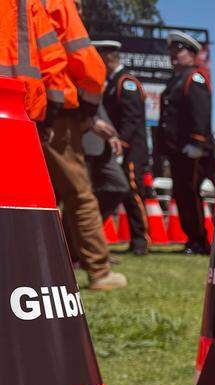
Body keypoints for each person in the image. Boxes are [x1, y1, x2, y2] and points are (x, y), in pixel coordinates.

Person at [40, 0, 126, 289]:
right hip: (54, 110)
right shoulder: (55, 3)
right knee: (79, 193)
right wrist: (88, 112)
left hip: (14, 106)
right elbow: (88, 65)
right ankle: (99, 271)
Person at [158, 30, 213, 255]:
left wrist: (197, 143)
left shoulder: (194, 77)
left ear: (191, 53)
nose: (174, 55)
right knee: (182, 195)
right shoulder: (176, 79)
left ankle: (200, 240)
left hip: (192, 150)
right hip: (178, 150)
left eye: (178, 50)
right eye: (172, 51)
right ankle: (192, 239)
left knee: (190, 194)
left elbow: (201, 112)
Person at [95, 39, 151, 255]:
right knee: (122, 192)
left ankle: (141, 241)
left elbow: (131, 119)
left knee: (134, 194)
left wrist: (122, 146)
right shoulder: (111, 82)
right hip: (117, 148)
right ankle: (136, 241)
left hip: (131, 150)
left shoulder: (126, 82)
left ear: (108, 58)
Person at [0, 0, 69, 126]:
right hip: (21, 111)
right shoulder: (25, 3)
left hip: (21, 110)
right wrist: (53, 107)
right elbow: (52, 57)